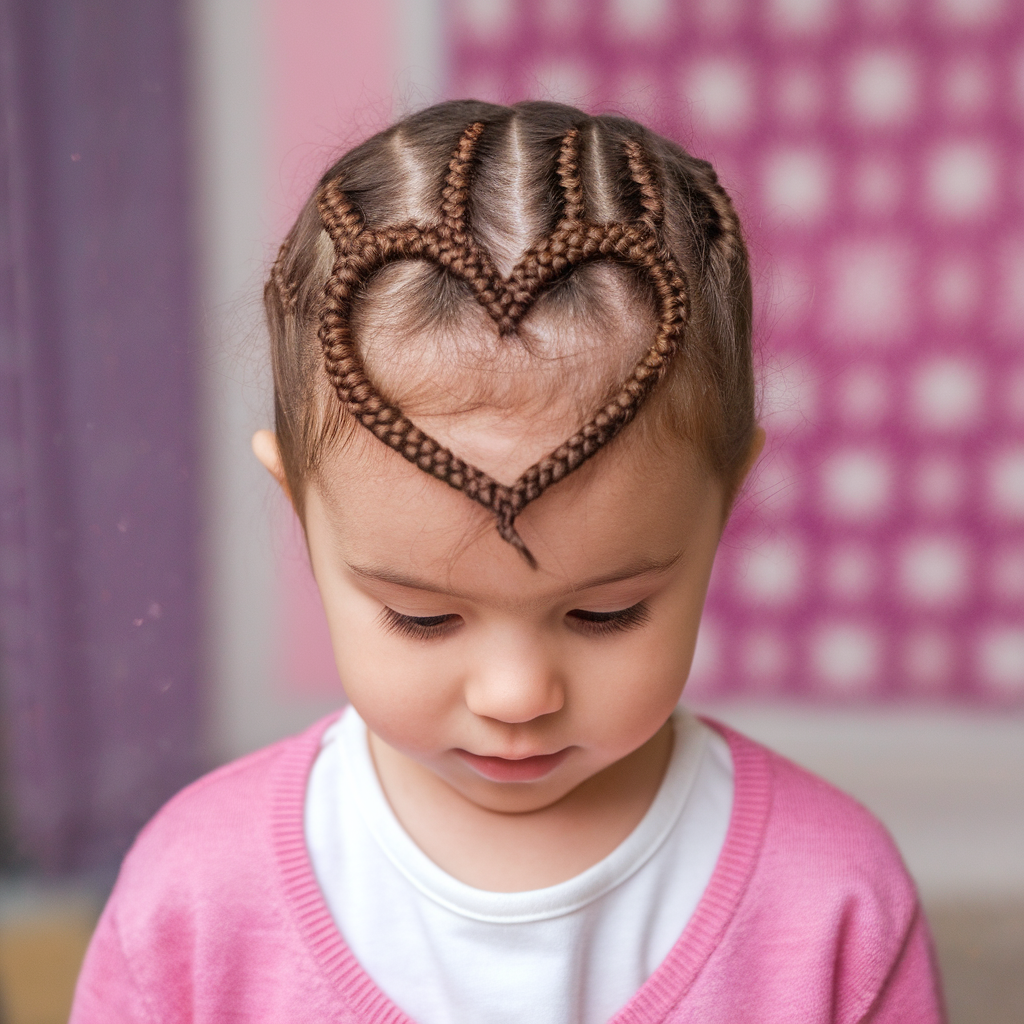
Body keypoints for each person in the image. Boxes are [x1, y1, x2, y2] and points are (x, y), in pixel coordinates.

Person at [70, 100, 945, 1023]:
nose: (517, 697)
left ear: (725, 501)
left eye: (605, 613)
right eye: (423, 617)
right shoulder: (194, 901)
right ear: (299, 506)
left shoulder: (833, 905)